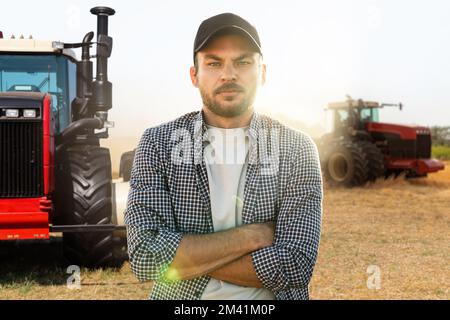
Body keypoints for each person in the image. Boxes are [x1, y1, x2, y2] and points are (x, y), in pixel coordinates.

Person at [125, 12, 323, 300]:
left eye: (242, 62)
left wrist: (186, 256)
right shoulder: (158, 144)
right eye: (214, 63)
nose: (228, 74)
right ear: (194, 75)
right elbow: (145, 256)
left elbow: (294, 266)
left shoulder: (296, 148)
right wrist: (250, 237)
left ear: (263, 73)